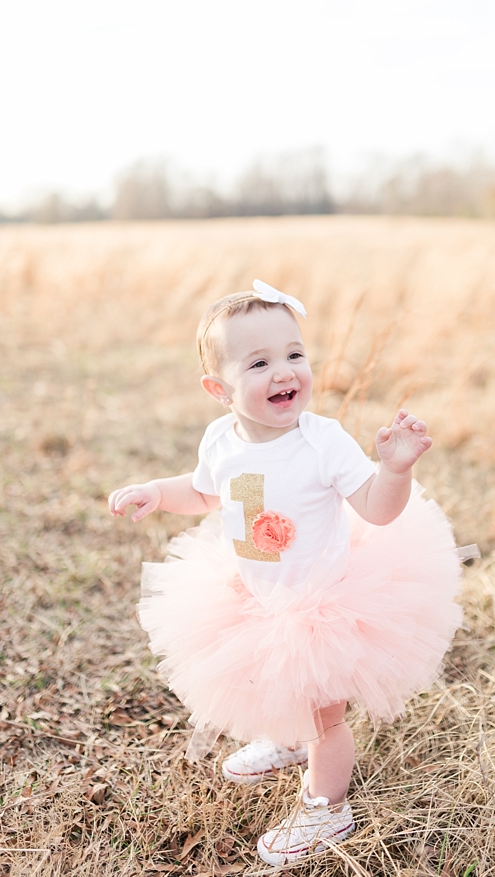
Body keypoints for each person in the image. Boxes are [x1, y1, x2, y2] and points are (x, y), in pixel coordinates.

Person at [108, 279, 463, 867]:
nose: (284, 373)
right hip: (257, 594)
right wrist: (154, 491)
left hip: (324, 603)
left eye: (295, 355)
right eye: (260, 363)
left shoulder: (321, 440)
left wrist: (394, 470)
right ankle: (282, 737)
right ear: (218, 389)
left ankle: (327, 806)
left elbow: (376, 508)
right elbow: (202, 494)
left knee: (325, 715)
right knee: (273, 677)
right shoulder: (221, 440)